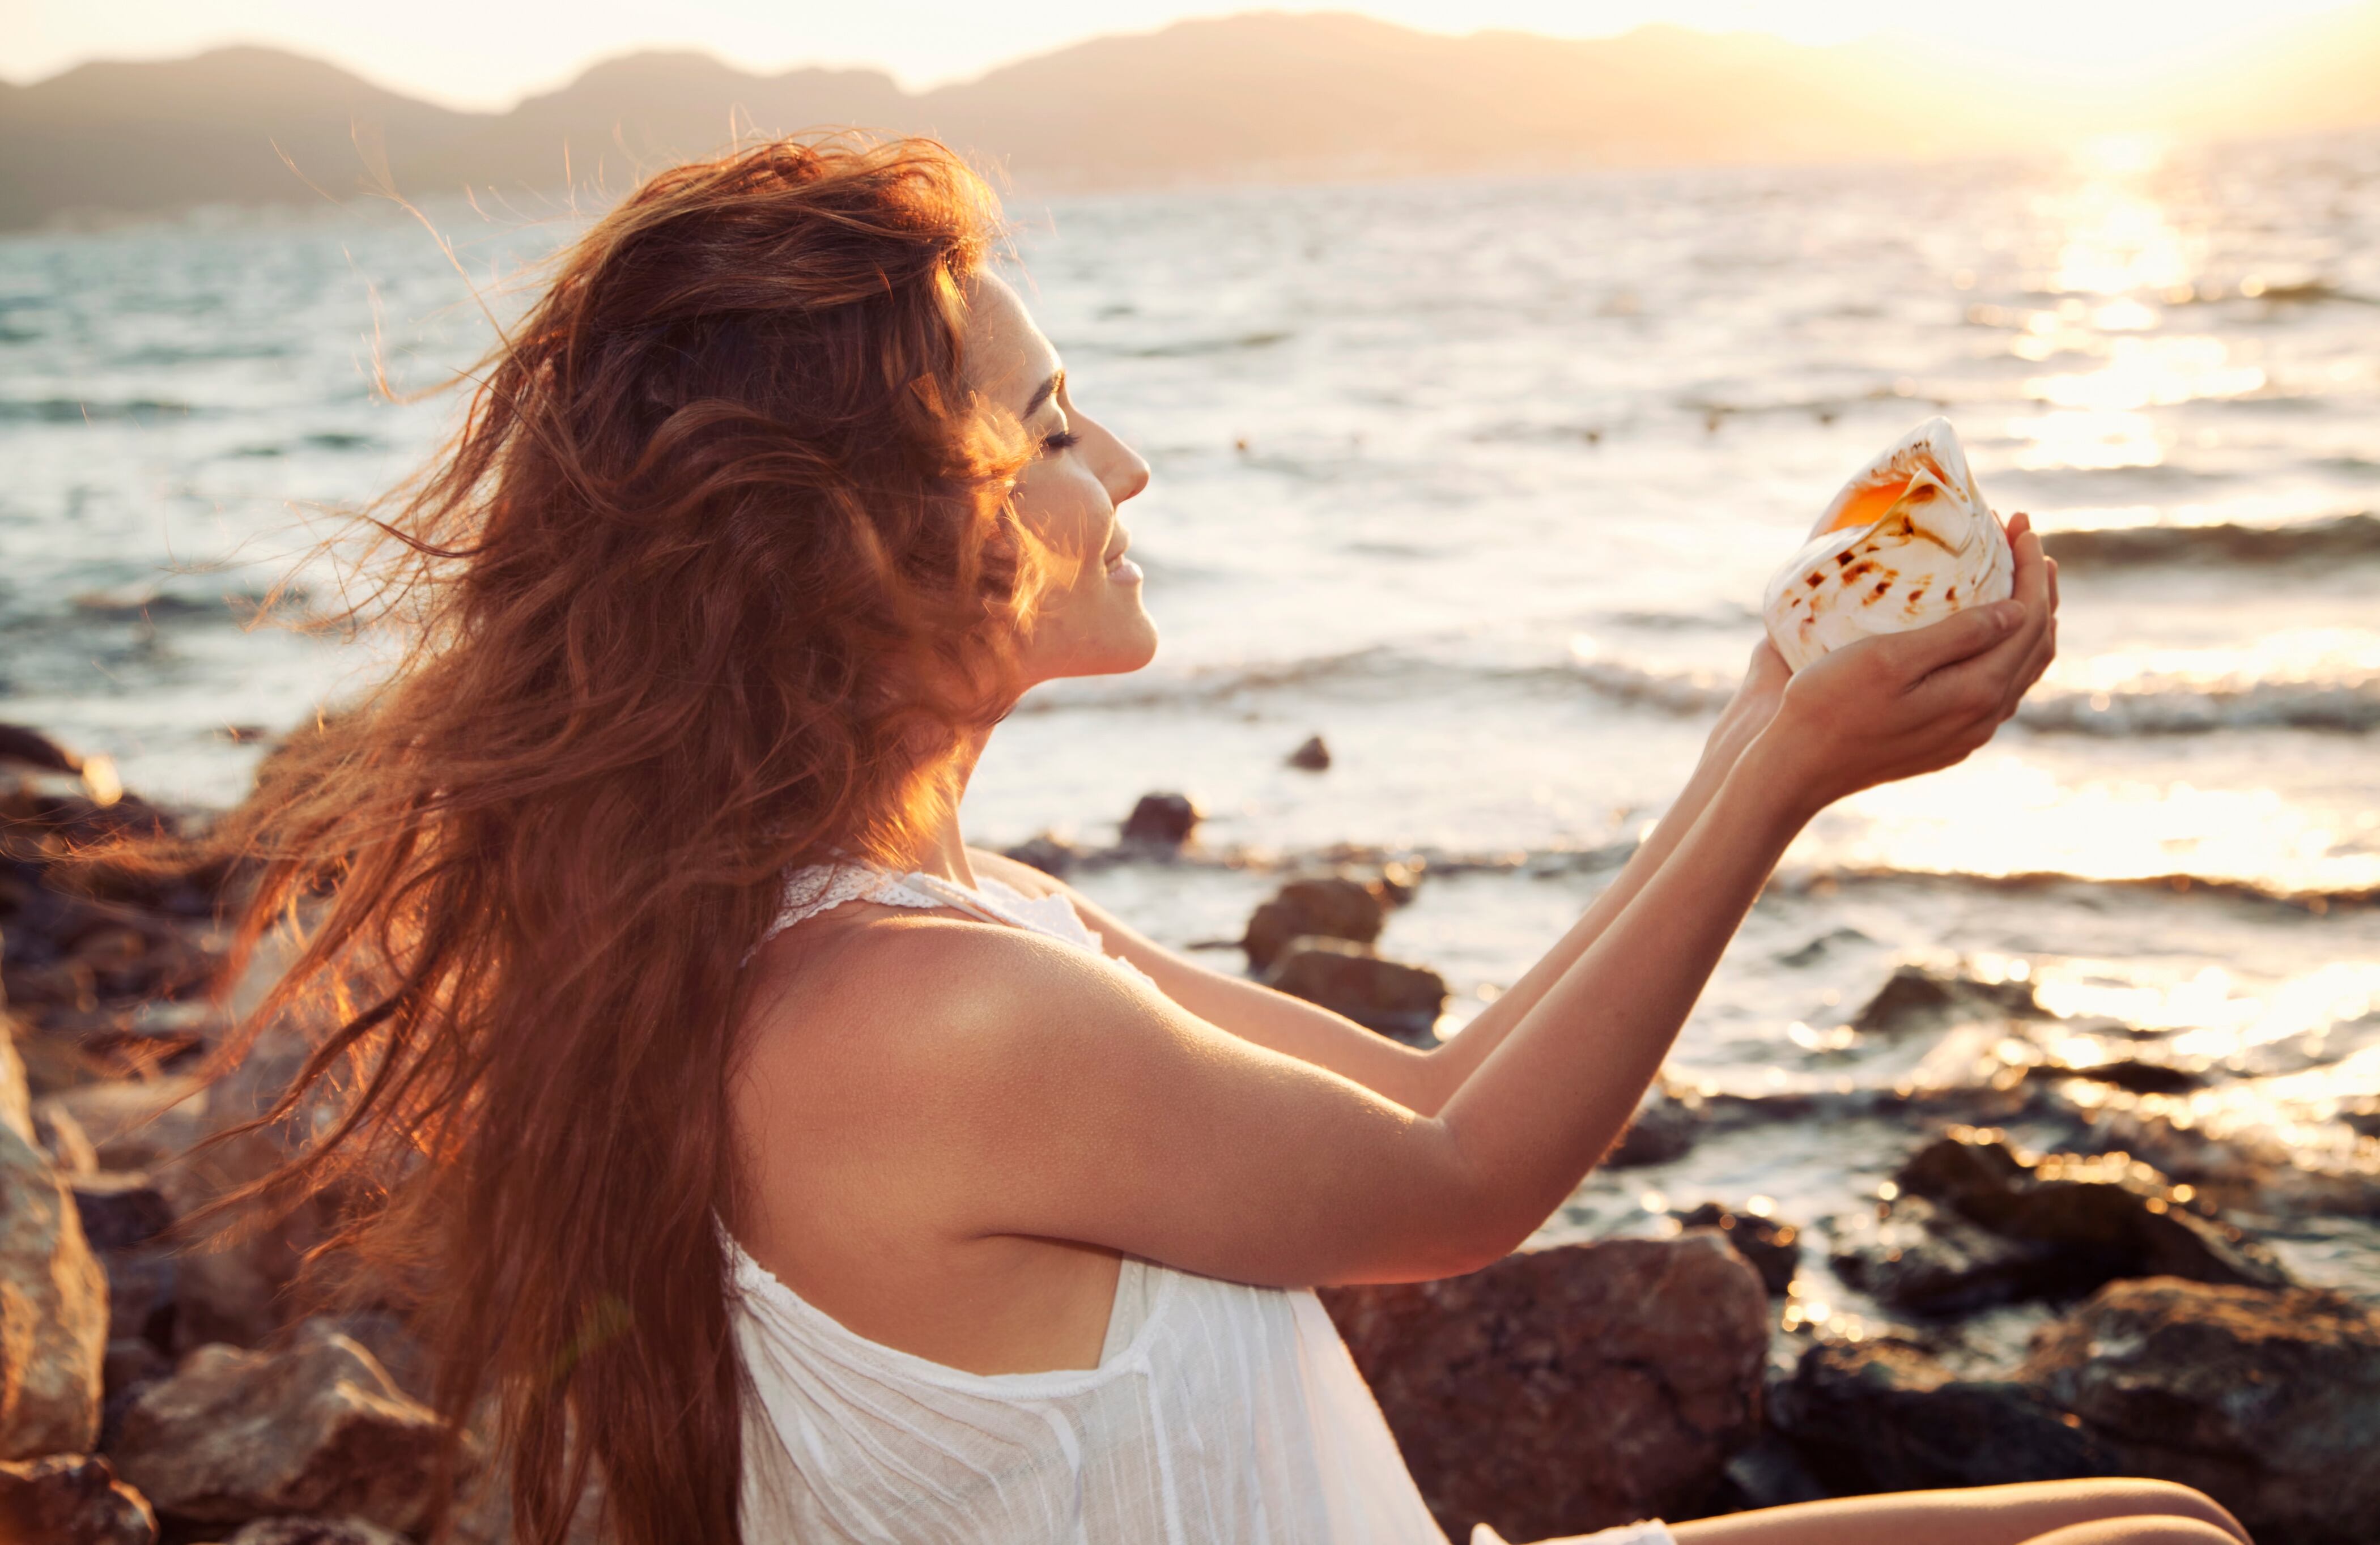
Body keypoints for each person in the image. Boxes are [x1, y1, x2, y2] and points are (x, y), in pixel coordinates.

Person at [205, 137, 2247, 1545]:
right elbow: (1465, 1187)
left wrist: (1760, 719)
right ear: (848, 539)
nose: (1127, 464)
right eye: (1051, 427)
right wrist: (1789, 774)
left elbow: (1444, 1094)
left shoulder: (927, 922)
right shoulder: (920, 1017)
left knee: (2156, 1513)